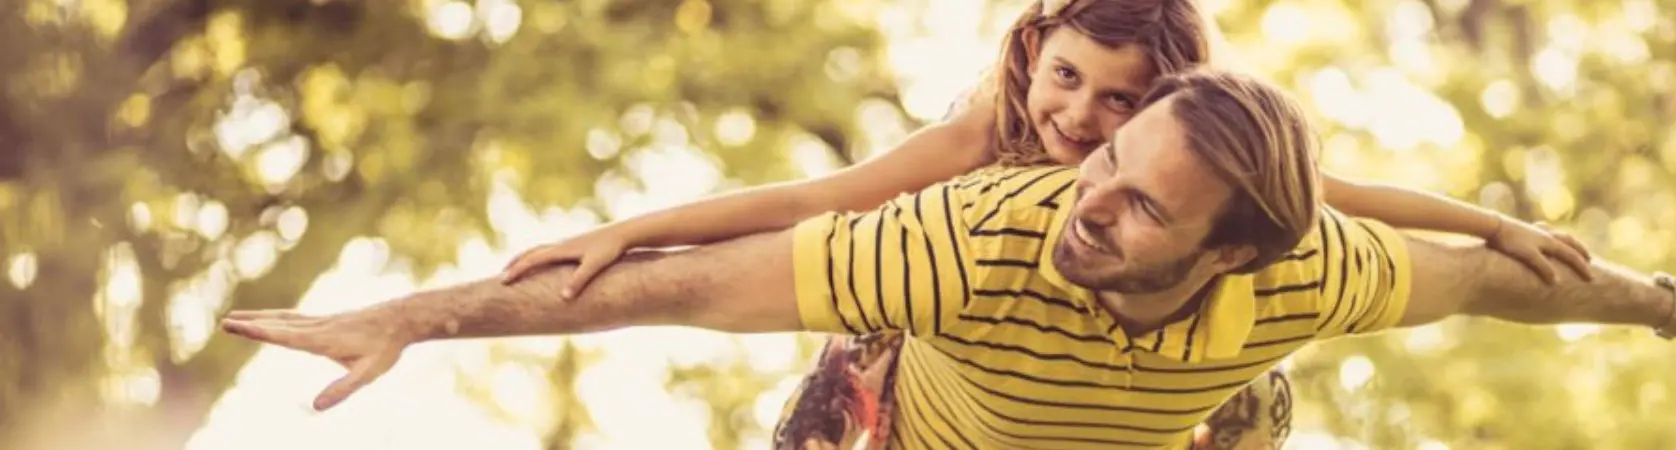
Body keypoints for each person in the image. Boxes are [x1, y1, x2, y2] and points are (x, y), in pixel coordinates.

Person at [221, 69, 1676, 449]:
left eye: (1137, 202)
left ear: (1235, 248)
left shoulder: (1310, 272)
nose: (1086, 196)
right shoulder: (968, 240)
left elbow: (1510, 278)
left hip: (1165, 420)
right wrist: (407, 315)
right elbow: (674, 286)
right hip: (925, 431)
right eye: (1098, 160)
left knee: (1258, 403)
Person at [496, 0, 1590, 447]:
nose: (1076, 116)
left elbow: (1341, 197)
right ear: (1035, 53)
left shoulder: (1193, 162)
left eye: (1119, 102)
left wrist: (1493, 229)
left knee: (1258, 386)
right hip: (949, 344)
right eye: (1064, 77)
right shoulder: (982, 135)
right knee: (856, 339)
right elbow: (810, 204)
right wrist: (631, 233)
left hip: (1125, 368)